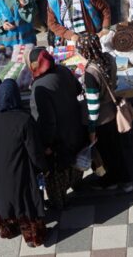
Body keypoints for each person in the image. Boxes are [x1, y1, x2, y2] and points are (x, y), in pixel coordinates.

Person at [0, 79, 48, 246]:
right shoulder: (23, 119)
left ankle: (8, 230)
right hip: (17, 171)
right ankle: (32, 237)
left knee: (1, 200)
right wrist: (43, 168)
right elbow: (34, 152)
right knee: (25, 203)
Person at [28, 47, 89, 210]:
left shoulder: (39, 87)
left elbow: (46, 121)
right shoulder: (62, 69)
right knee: (74, 163)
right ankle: (77, 185)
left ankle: (59, 203)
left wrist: (45, 144)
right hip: (75, 128)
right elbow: (77, 89)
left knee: (57, 174)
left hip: (58, 140)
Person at [77, 33, 131, 192]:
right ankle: (125, 180)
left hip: (101, 119)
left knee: (107, 153)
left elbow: (93, 105)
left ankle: (113, 181)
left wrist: (92, 128)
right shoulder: (108, 58)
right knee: (117, 149)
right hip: (113, 111)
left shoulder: (90, 73)